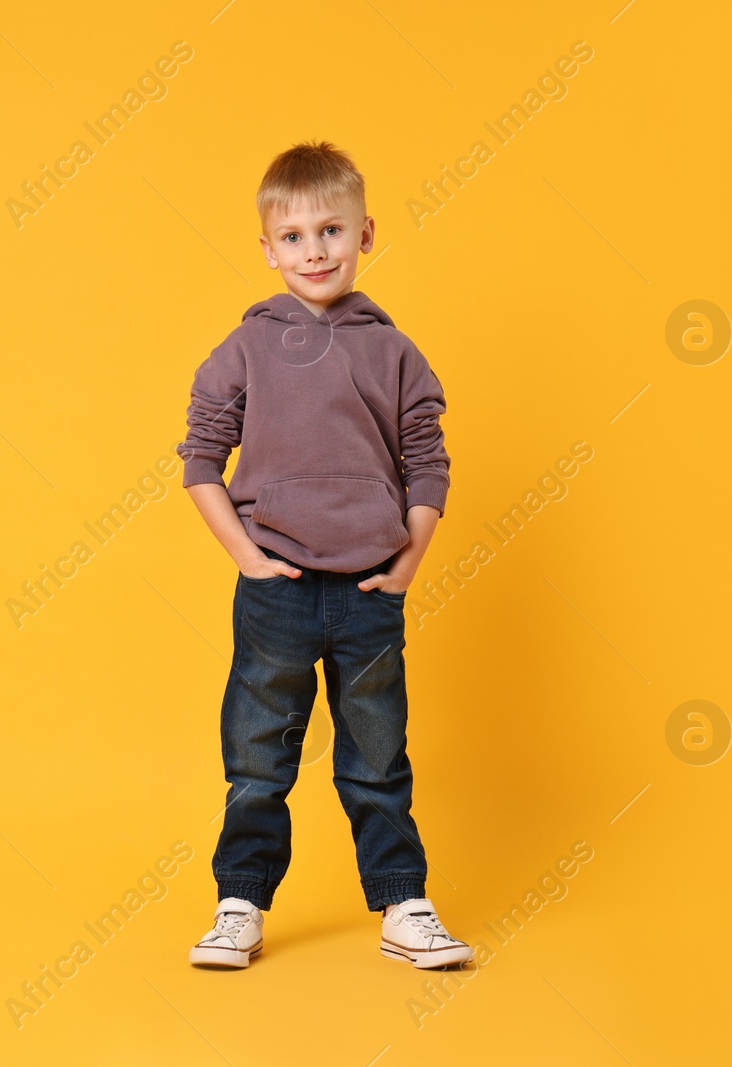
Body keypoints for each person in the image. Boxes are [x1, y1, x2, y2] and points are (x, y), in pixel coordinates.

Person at [177, 140, 472, 971]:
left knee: (377, 754)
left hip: (370, 591)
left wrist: (408, 563)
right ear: (268, 249)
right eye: (296, 236)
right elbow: (201, 460)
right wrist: (247, 556)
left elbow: (427, 460)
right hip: (277, 589)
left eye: (331, 230)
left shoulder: (394, 349)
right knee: (259, 756)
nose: (315, 251)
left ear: (366, 233)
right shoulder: (245, 349)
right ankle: (240, 900)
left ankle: (403, 903)